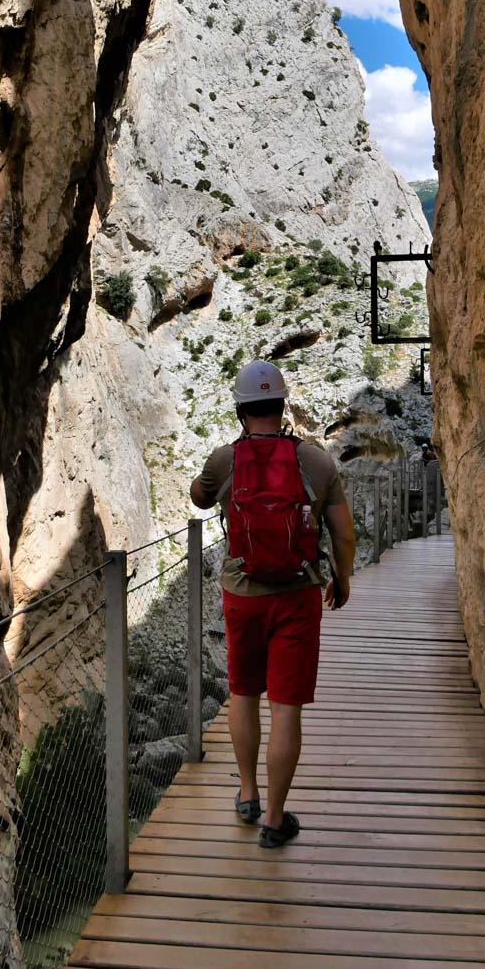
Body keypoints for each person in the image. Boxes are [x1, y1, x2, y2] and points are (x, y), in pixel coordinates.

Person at [190, 360, 356, 848]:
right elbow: (344, 534)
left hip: (242, 595)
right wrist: (342, 577)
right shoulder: (317, 462)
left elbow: (199, 498)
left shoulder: (225, 460)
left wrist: (207, 481)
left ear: (240, 410)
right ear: (282, 406)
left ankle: (247, 794)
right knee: (286, 708)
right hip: (298, 595)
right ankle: (275, 819)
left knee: (244, 693)